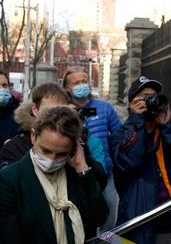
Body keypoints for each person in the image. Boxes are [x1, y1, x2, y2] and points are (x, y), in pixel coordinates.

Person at [0, 106, 109, 244]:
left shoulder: (75, 174)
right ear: (33, 136)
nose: (52, 159)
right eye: (46, 151)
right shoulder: (8, 180)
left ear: (73, 148)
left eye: (61, 154)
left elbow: (99, 217)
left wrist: (82, 167)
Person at [110, 76, 171, 244]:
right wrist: (137, 122)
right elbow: (129, 163)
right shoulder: (120, 135)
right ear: (131, 103)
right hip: (139, 224)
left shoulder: (168, 130)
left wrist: (169, 126)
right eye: (145, 97)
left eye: (153, 97)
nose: (150, 101)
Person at [0, 82, 107, 190]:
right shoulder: (14, 147)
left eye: (62, 111)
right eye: (49, 111)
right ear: (35, 109)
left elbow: (99, 186)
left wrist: (83, 164)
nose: (55, 117)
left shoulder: (76, 144)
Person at [63, 66, 123, 231]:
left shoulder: (104, 108)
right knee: (82, 221)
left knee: (109, 220)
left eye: (84, 81)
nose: (81, 85)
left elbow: (119, 136)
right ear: (68, 88)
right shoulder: (63, 110)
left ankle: (108, 241)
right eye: (76, 83)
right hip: (76, 176)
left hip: (107, 174)